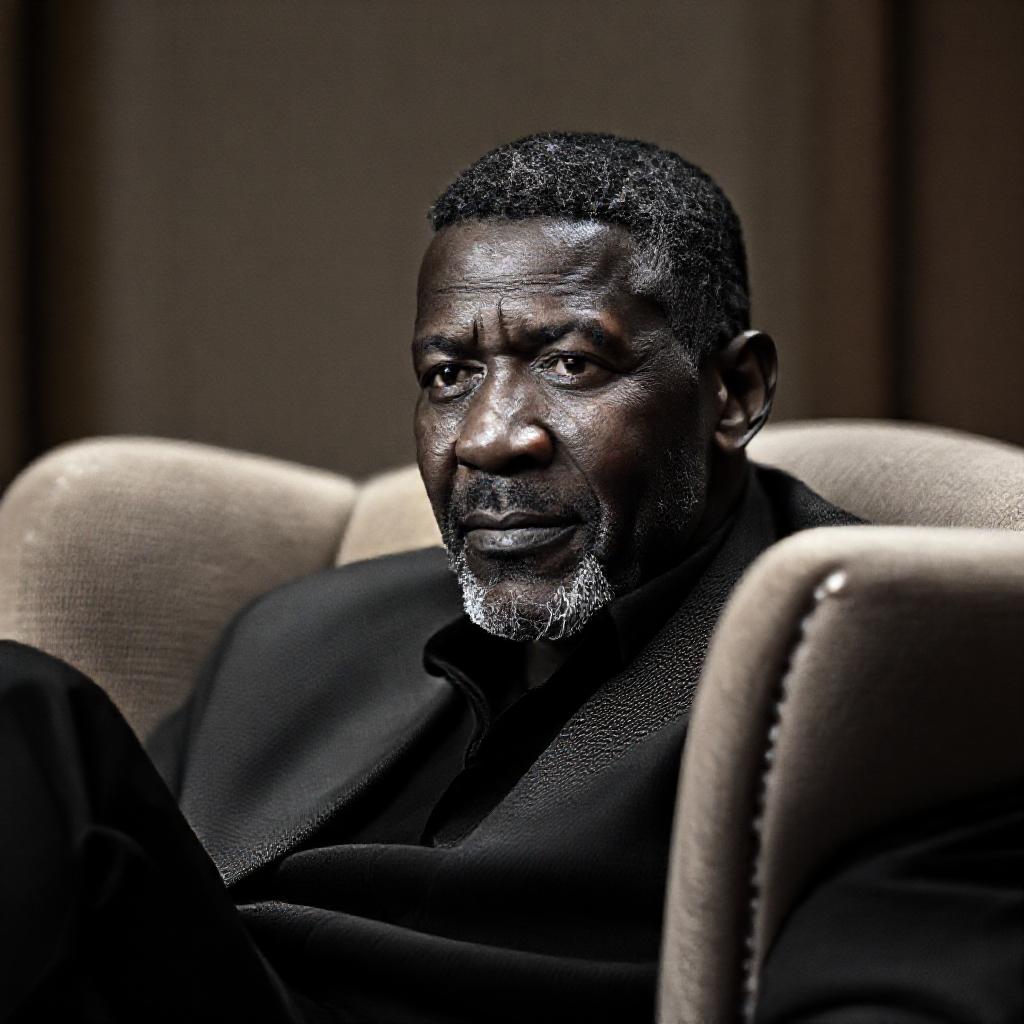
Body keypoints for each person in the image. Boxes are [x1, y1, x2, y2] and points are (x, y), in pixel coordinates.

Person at [0, 132, 1020, 1024]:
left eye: (571, 364)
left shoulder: (874, 669)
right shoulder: (293, 635)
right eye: (450, 375)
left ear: (734, 391)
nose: (488, 437)